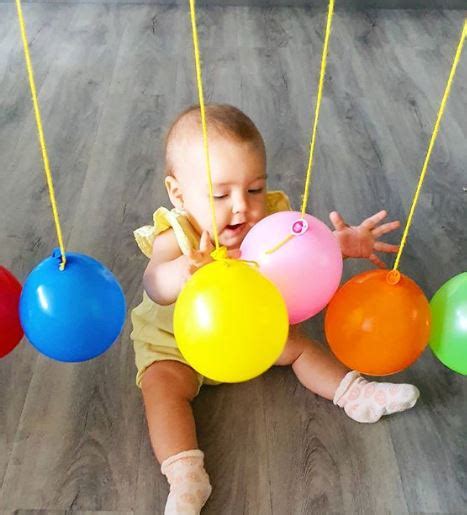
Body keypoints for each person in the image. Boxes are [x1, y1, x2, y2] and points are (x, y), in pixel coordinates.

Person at [130, 104, 419, 515]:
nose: (241, 206)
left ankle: (356, 393)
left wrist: (342, 245)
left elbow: (301, 252)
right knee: (160, 388)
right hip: (175, 343)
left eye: (254, 189)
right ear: (179, 193)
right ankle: (185, 476)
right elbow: (154, 285)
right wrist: (183, 270)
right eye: (219, 193)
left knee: (298, 345)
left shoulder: (270, 219)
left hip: (252, 334)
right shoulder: (176, 233)